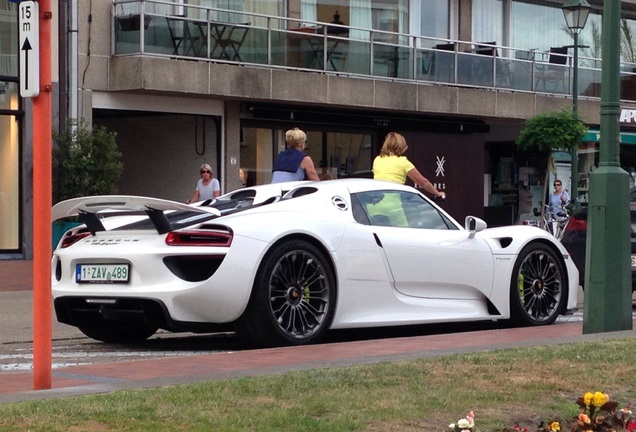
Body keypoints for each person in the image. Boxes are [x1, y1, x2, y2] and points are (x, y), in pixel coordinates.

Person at [373, 132, 446, 199]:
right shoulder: (402, 162)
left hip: (374, 206)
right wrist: (437, 193)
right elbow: (423, 182)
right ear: (400, 147)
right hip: (393, 206)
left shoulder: (377, 160)